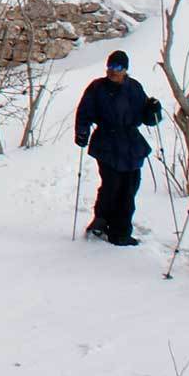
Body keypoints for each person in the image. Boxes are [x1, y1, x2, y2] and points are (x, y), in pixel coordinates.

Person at [74, 50, 164, 245]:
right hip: (106, 141)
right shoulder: (97, 88)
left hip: (131, 143)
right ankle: (102, 221)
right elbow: (84, 112)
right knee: (112, 184)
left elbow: (148, 119)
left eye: (117, 68)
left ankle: (120, 231)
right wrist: (82, 132)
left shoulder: (135, 88)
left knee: (130, 186)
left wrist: (154, 110)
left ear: (125, 70)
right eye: (110, 67)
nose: (112, 71)